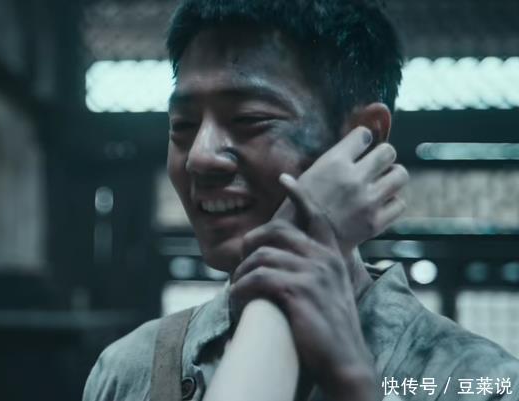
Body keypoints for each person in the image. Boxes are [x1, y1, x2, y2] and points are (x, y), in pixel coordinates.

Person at [83, 1, 519, 400]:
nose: (199, 156)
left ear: (363, 139)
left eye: (249, 119)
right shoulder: (129, 372)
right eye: (182, 125)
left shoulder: (477, 382)